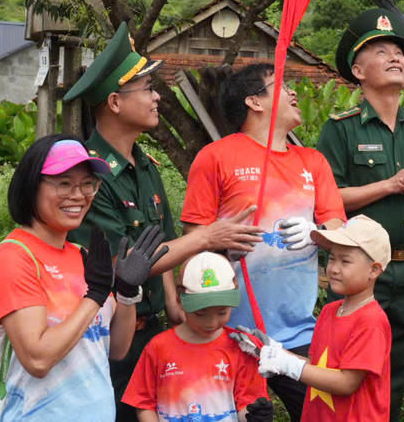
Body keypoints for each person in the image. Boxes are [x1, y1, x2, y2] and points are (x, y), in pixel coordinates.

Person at [65, 22, 263, 421]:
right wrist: (209, 236)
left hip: (152, 328)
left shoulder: (146, 166)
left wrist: (173, 301)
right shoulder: (89, 176)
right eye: (148, 90)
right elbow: (129, 265)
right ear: (115, 103)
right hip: (110, 337)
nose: (157, 97)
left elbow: (165, 239)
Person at [181, 63, 346, 421]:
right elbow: (192, 241)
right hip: (230, 333)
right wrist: (220, 246)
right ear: (254, 102)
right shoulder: (216, 157)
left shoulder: (313, 162)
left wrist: (318, 235)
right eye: (282, 85)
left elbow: (338, 229)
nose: (294, 92)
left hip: (299, 332)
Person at [315, 9, 404, 422]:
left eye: (399, 52)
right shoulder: (341, 128)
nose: (396, 57)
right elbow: (330, 197)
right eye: (381, 51)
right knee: (347, 364)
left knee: (397, 366)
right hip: (357, 271)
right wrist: (393, 183)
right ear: (358, 70)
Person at [0, 135, 165, 420]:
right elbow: (38, 359)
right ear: (31, 186)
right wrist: (95, 297)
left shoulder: (83, 255)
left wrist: (126, 293)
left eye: (87, 184)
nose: (78, 195)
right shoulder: (15, 257)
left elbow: (116, 349)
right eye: (64, 183)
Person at [233, 215, 394, 422]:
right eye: (332, 257)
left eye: (345, 261)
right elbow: (316, 365)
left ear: (374, 270)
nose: (334, 268)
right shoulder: (329, 311)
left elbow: (346, 383)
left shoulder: (371, 321)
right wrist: (273, 351)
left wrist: (287, 364)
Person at [122, 251, 273, 422]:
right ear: (179, 299)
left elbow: (246, 404)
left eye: (222, 312)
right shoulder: (158, 347)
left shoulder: (241, 347)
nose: (211, 322)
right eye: (201, 313)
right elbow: (144, 404)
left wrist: (255, 416)